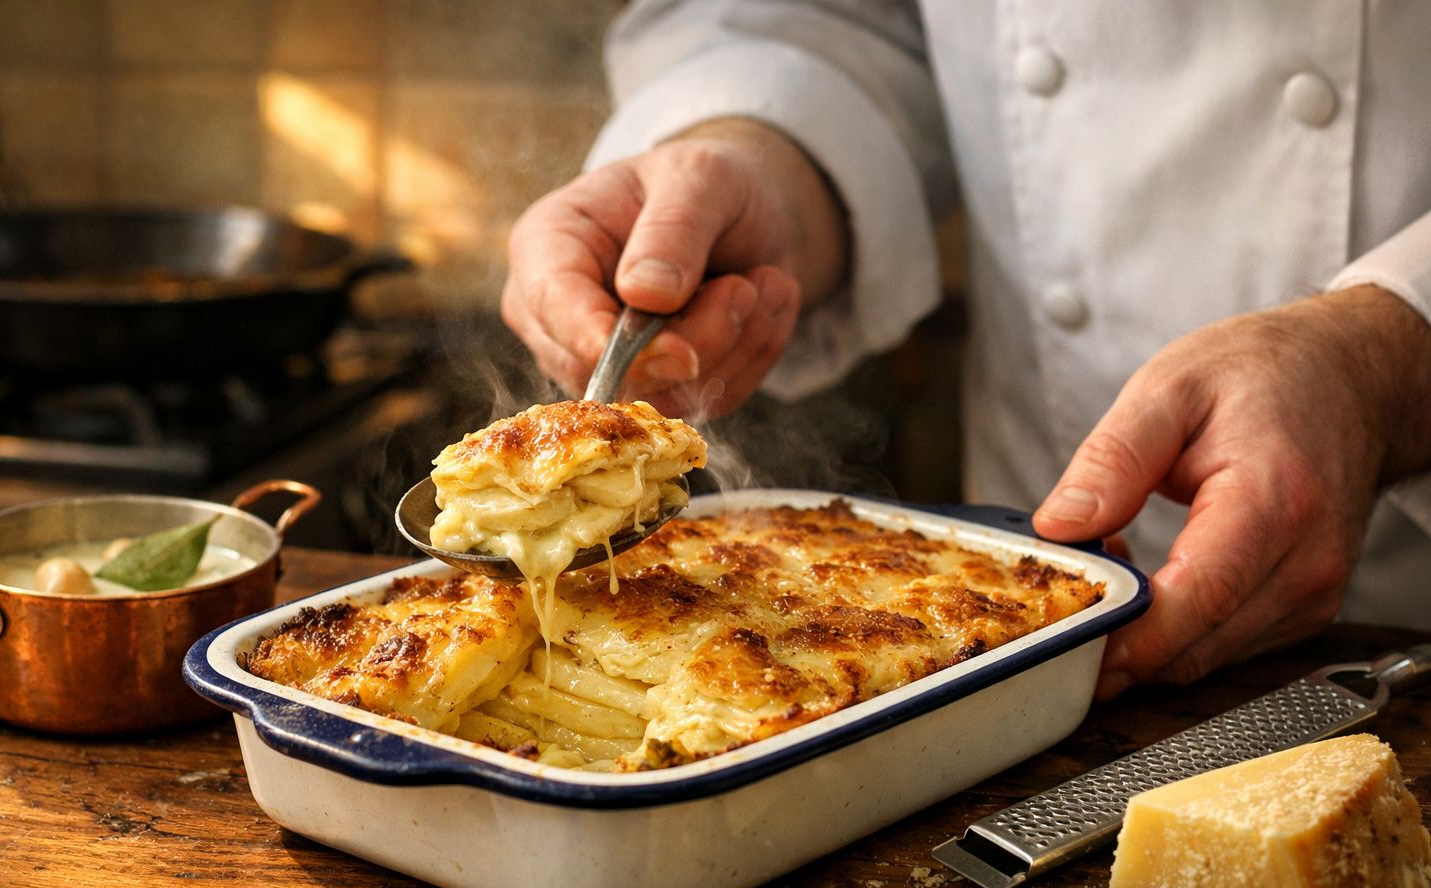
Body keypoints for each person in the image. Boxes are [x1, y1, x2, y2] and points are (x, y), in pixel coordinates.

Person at [499, 0, 1431, 697]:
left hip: (1404, 606)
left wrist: (1386, 357)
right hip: (1007, 604)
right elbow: (834, 18)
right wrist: (755, 157)